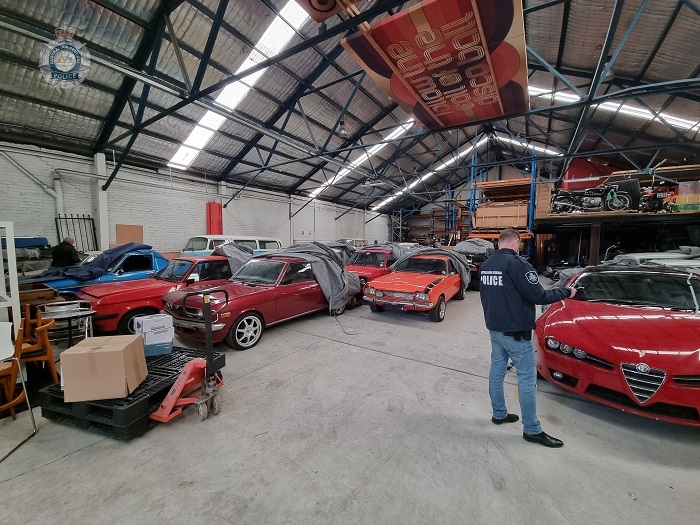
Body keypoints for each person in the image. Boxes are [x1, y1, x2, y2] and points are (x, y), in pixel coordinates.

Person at [479, 228, 576, 448]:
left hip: (495, 329)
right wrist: (565, 292)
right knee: (526, 379)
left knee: (496, 372)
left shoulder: (487, 266)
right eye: (519, 244)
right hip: (515, 332)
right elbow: (538, 295)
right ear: (515, 242)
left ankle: (499, 414)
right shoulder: (518, 265)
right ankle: (532, 429)